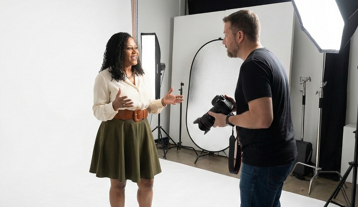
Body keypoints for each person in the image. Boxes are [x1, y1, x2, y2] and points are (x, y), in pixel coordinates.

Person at [208, 10, 297, 207]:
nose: (223, 41)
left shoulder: (253, 66)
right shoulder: (268, 58)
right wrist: (240, 103)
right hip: (279, 155)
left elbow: (262, 119)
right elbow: (268, 104)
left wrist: (227, 120)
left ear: (239, 36)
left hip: (263, 160)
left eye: (226, 34)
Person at [89, 32, 183, 207]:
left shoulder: (142, 75)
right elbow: (97, 111)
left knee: (147, 182)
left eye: (136, 48)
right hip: (117, 132)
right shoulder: (104, 77)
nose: (135, 52)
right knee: (119, 184)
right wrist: (114, 106)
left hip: (142, 131)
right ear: (117, 51)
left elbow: (146, 105)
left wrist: (163, 101)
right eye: (129, 48)